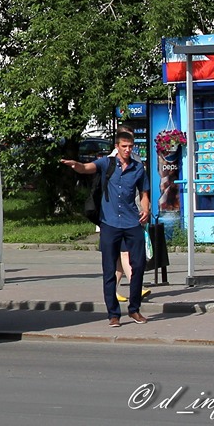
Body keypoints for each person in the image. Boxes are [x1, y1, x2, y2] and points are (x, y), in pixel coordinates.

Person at [61, 129, 151, 327]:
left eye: (130, 147)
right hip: (109, 223)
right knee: (109, 269)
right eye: (124, 146)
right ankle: (113, 314)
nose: (127, 150)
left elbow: (144, 194)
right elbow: (87, 168)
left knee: (139, 265)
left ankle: (134, 309)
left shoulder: (138, 168)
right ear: (117, 147)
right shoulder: (107, 163)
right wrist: (76, 165)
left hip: (132, 222)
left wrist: (146, 209)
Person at [109, 125, 151, 302]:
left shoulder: (135, 159)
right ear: (118, 143)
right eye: (126, 143)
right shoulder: (110, 161)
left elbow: (142, 189)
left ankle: (112, 291)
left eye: (131, 143)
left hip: (133, 213)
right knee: (125, 253)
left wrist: (145, 208)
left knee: (120, 260)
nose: (129, 147)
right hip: (115, 217)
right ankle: (137, 286)